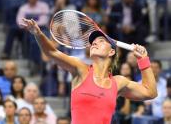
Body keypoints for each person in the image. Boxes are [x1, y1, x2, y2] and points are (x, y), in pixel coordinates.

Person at [20, 18, 157, 124]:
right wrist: (38, 34)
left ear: (111, 52)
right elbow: (52, 53)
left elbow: (150, 92)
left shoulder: (118, 82)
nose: (94, 43)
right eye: (93, 42)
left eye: (101, 40)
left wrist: (143, 59)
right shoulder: (80, 69)